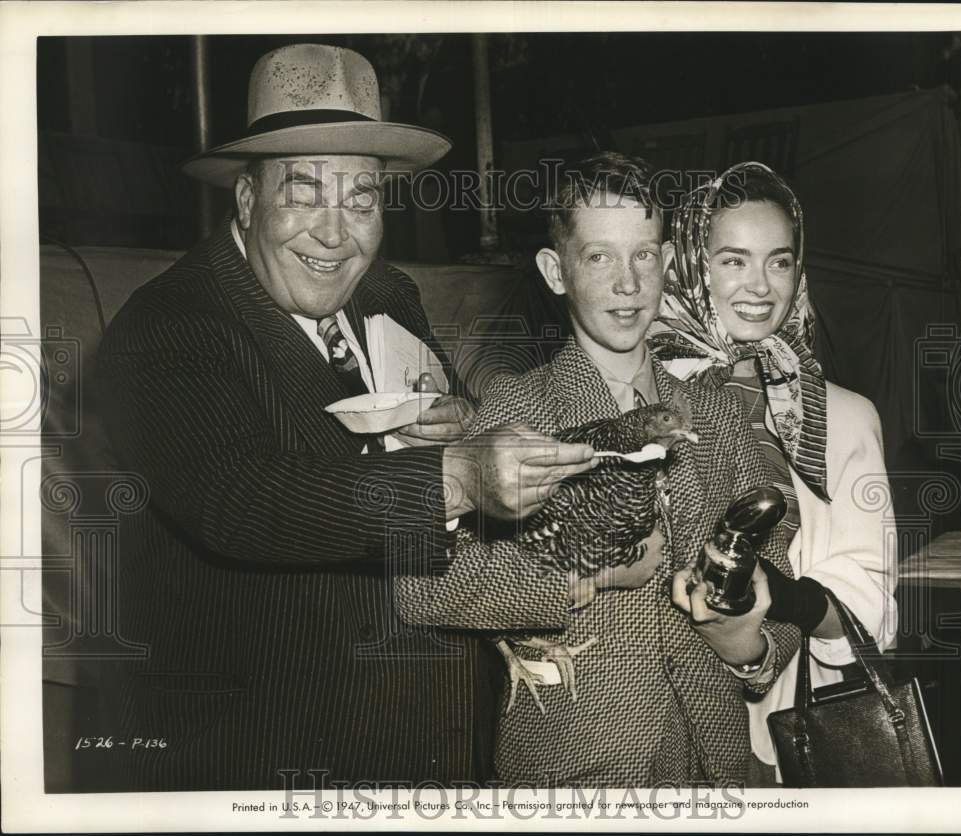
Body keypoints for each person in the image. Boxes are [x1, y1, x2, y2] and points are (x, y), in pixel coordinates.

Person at [93, 44, 598, 791]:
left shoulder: (387, 294)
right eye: (303, 194)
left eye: (361, 200)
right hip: (271, 760)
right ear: (245, 199)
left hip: (436, 746)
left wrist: (459, 425)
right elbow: (244, 501)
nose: (336, 235)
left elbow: (435, 453)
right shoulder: (168, 324)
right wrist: (454, 476)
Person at [396, 153, 801, 787]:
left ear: (668, 264)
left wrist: (749, 645)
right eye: (599, 257)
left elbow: (773, 556)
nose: (628, 284)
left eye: (643, 256)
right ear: (556, 272)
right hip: (573, 771)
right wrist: (592, 579)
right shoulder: (515, 412)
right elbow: (425, 587)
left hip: (712, 766)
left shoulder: (716, 414)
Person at [648, 161, 898, 785]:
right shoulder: (639, 403)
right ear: (687, 265)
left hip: (783, 734)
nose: (760, 285)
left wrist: (774, 598)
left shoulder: (841, 417)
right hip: (655, 730)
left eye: (779, 261)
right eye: (733, 260)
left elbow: (873, 610)